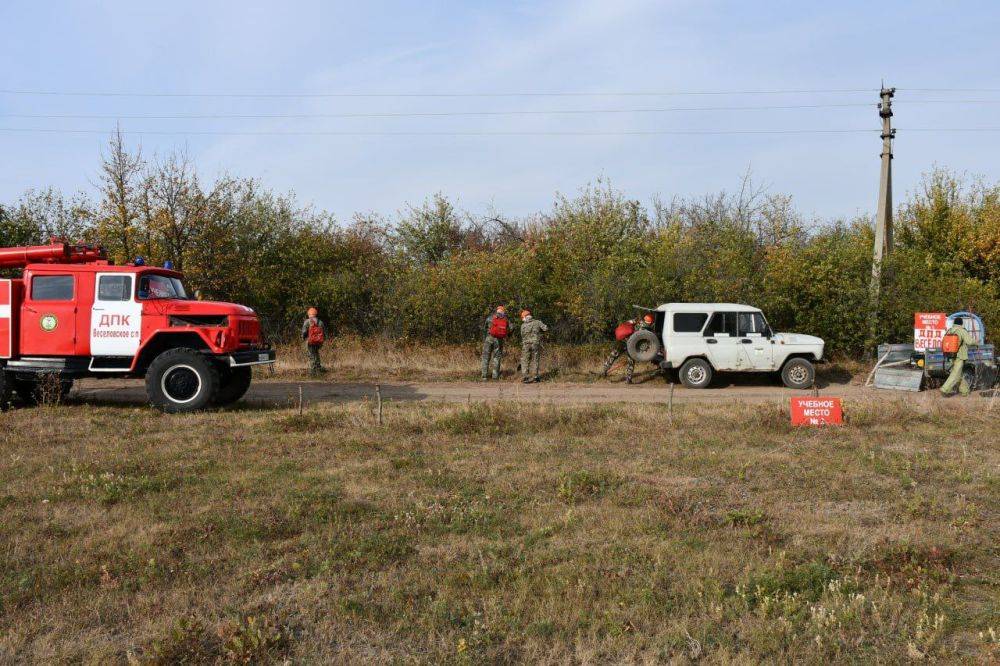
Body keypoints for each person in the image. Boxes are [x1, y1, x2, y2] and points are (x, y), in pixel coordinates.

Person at [602, 313, 654, 384]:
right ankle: (628, 380)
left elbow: (627, 323)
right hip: (631, 345)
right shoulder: (647, 329)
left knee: (613, 355)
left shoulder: (637, 320)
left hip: (622, 341)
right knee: (631, 362)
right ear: (650, 322)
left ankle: (604, 370)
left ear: (644, 318)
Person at [940, 316, 975, 397]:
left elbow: (944, 342)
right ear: (961, 323)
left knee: (959, 374)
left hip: (951, 355)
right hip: (960, 356)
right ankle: (945, 389)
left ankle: (965, 391)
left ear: (954, 323)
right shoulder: (962, 331)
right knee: (955, 374)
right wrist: (976, 342)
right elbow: (969, 342)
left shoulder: (949, 330)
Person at [519, 309, 549, 383]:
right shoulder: (537, 322)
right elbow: (546, 328)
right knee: (536, 360)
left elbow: (522, 335)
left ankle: (525, 377)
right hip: (535, 344)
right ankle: (535, 377)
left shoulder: (523, 325)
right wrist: (539, 331)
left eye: (522, 317)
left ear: (525, 317)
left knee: (525, 360)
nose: (522, 319)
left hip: (526, 344)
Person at [481, 305, 510, 380]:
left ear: (497, 310)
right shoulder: (505, 319)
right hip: (499, 340)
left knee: (486, 357)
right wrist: (508, 335)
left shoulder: (490, 318)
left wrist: (484, 339)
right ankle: (495, 376)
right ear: (503, 311)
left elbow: (484, 328)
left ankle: (484, 376)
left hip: (489, 338)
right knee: (497, 357)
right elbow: (512, 327)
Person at [301, 307, 327, 375]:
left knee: (311, 355)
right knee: (316, 353)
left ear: (309, 314)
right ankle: (318, 368)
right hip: (319, 342)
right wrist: (323, 340)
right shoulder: (320, 322)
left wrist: (303, 338)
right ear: (316, 314)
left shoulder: (307, 322)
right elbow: (324, 332)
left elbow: (304, 332)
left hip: (310, 341)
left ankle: (312, 371)